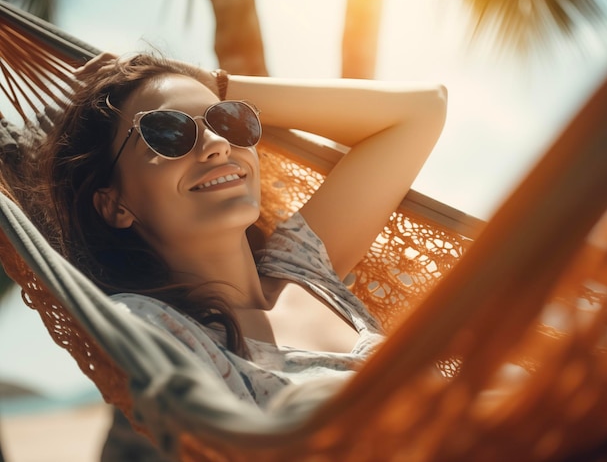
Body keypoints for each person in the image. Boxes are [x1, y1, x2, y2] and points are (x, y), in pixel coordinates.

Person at [40, 51, 447, 456]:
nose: (218, 143)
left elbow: (424, 108)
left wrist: (214, 83)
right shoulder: (154, 325)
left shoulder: (304, 264)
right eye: (167, 132)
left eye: (229, 121)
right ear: (114, 204)